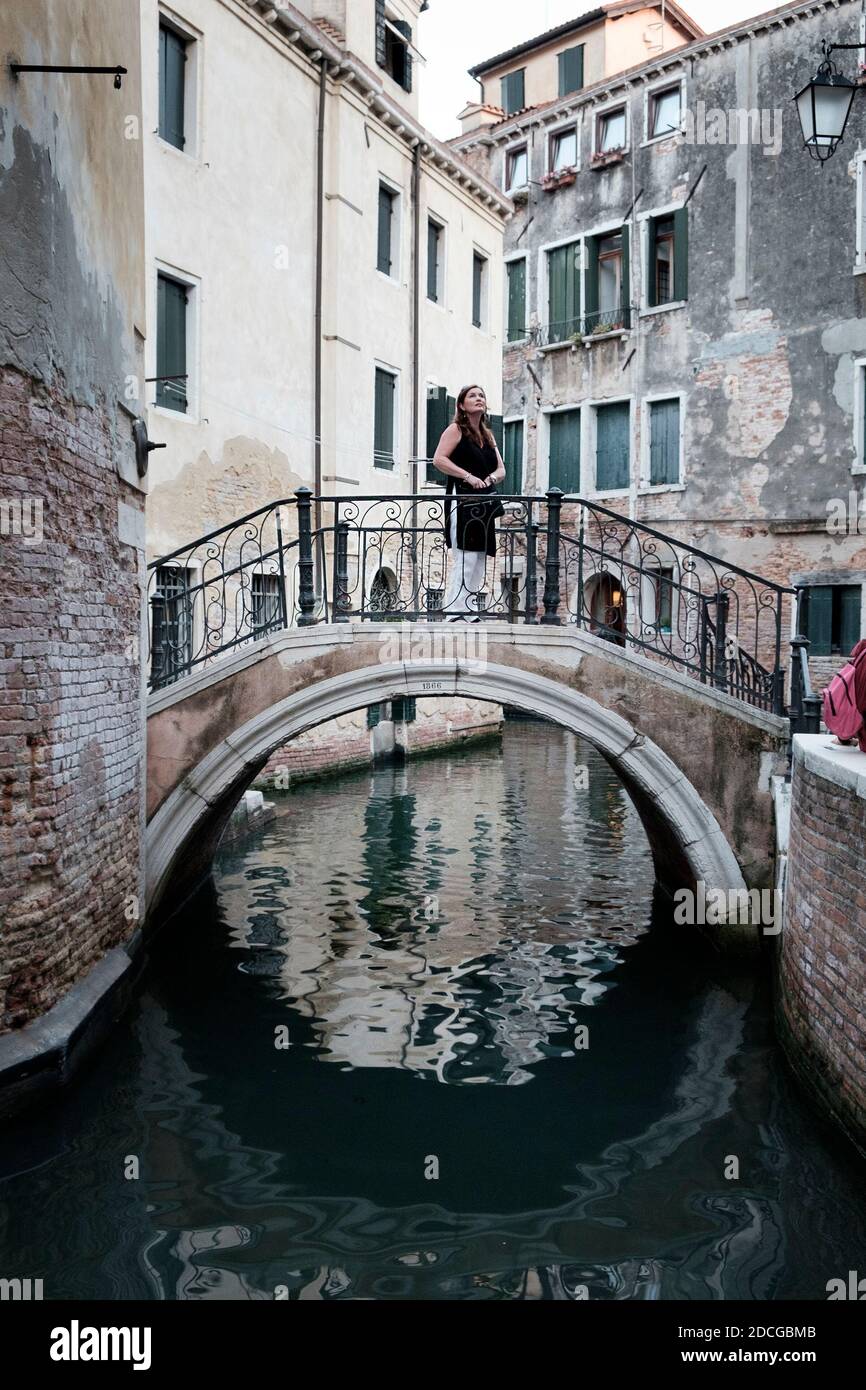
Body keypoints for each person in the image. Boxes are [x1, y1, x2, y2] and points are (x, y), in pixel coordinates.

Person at [432, 384, 506, 620]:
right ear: (461, 405)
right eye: (472, 396)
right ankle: (454, 610)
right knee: (465, 556)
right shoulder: (455, 430)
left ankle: (470, 608)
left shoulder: (488, 434)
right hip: (462, 500)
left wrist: (490, 478)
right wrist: (468, 476)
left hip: (484, 503)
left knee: (480, 558)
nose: (478, 398)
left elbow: (501, 469)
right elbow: (439, 460)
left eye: (481, 395)